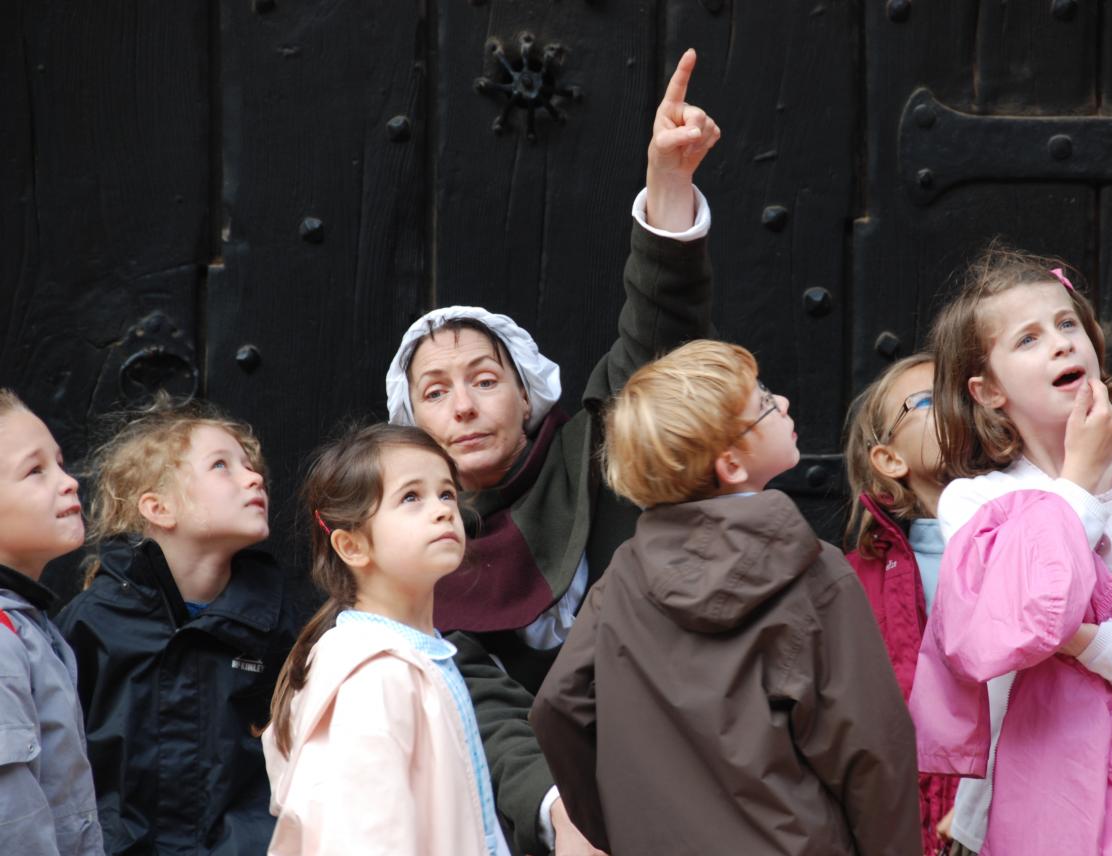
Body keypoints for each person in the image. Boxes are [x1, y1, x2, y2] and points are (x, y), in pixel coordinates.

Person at [382, 48, 719, 854]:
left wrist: (667, 184)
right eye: (435, 392)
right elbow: (487, 716)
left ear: (525, 393)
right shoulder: (422, 548)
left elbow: (656, 333)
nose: (463, 405)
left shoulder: (598, 448)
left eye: (483, 379)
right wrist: (560, 815)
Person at [530, 340, 921, 856]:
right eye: (763, 402)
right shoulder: (815, 573)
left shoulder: (623, 576)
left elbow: (557, 707)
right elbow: (873, 753)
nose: (782, 402)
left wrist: (617, 826)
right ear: (731, 463)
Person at [911, 245, 1112, 855]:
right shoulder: (974, 505)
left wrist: (1085, 641)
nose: (1061, 343)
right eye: (1028, 339)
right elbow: (1018, 625)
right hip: (1036, 812)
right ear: (986, 391)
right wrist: (1080, 482)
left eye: (1068, 325)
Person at [55, 400, 300, 854]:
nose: (255, 478)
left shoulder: (276, 627)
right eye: (222, 466)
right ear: (158, 507)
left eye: (251, 466)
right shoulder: (92, 624)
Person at [262, 423, 506, 855]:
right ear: (352, 546)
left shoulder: (414, 655)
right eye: (411, 497)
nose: (443, 510)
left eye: (447, 493)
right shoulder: (373, 677)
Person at [842, 352, 958, 854]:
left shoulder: (1039, 543)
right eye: (930, 399)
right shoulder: (848, 582)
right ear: (890, 460)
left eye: (963, 389)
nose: (955, 404)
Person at [0, 389, 103, 855]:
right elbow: (12, 818)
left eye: (60, 464)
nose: (69, 482)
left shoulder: (29, 625)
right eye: (35, 471)